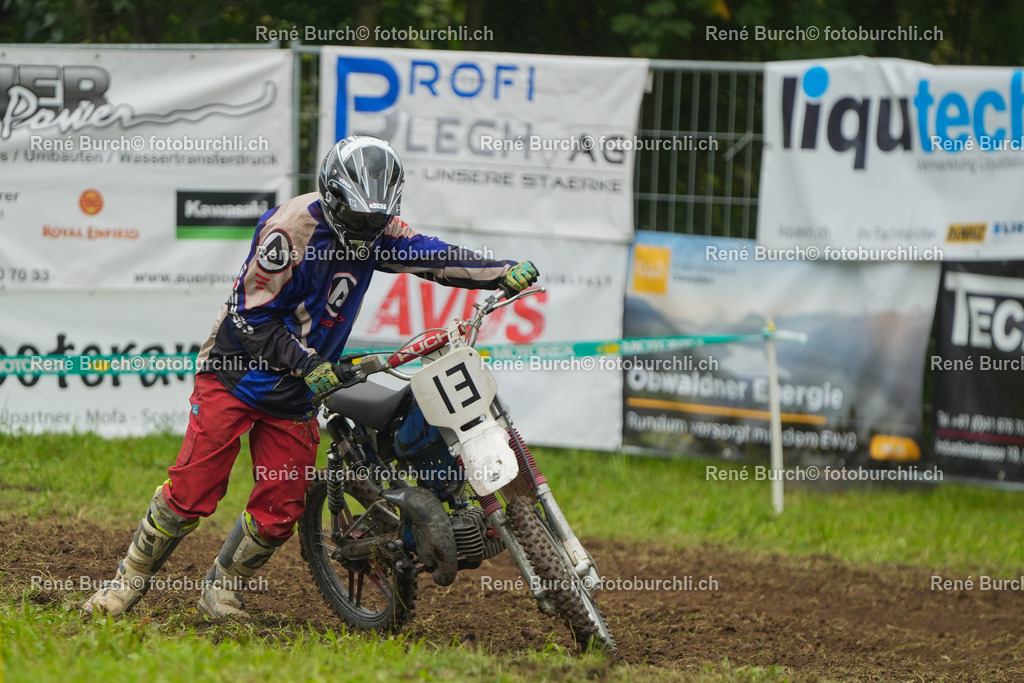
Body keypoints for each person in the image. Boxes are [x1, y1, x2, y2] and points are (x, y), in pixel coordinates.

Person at [82, 135, 539, 619]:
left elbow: (432, 254)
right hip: (236, 375)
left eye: (377, 217)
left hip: (298, 393)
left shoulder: (379, 229)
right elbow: (251, 316)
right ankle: (123, 586)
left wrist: (500, 271)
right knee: (191, 494)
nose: (369, 226)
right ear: (334, 196)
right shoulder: (289, 233)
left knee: (282, 505)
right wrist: (306, 363)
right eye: (360, 216)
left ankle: (222, 591)